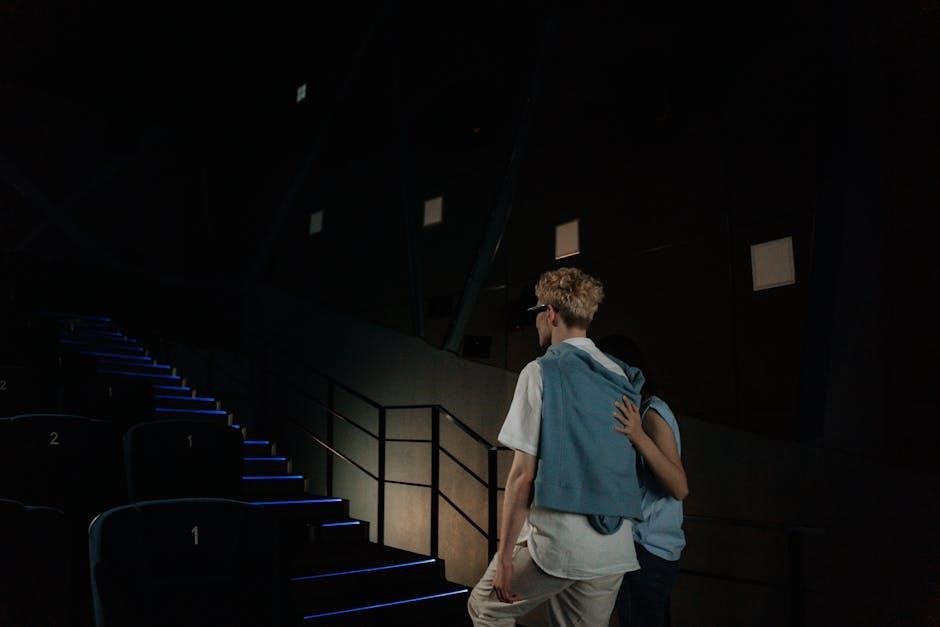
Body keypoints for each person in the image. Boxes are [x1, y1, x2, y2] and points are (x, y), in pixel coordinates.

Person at [468, 268, 646, 626]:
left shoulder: (541, 372)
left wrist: (505, 558)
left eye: (537, 312)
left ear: (550, 313)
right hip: (615, 544)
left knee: (485, 609)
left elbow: (522, 476)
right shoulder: (621, 376)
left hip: (561, 540)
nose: (536, 322)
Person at [597, 335, 688, 627]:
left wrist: (637, 435)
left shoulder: (651, 412)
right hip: (647, 549)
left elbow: (680, 487)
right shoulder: (640, 410)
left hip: (648, 551)